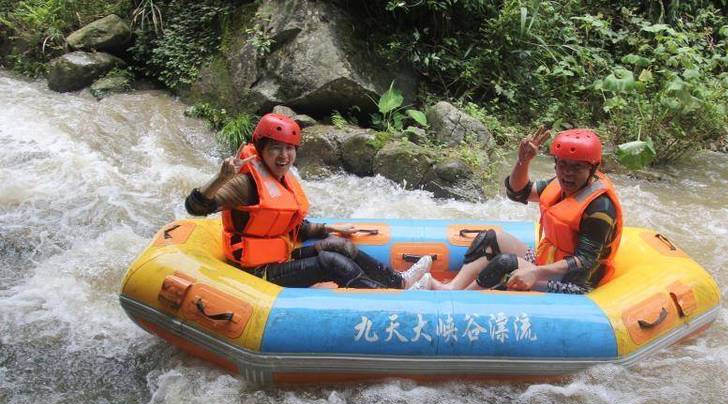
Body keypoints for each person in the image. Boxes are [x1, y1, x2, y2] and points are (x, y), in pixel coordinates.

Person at [185, 113, 431, 289]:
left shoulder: (281, 179)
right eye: (276, 148)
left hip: (281, 257)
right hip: (257, 272)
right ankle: (384, 297)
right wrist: (220, 178)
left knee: (339, 245)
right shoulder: (245, 183)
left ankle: (399, 281)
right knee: (330, 262)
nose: (284, 156)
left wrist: (328, 229)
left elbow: (289, 224)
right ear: (261, 150)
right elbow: (195, 207)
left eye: (290, 149)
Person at [419, 127, 622, 293]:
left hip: (575, 282)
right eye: (563, 165)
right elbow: (518, 193)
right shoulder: (560, 185)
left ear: (592, 169)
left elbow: (584, 261)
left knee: (505, 263)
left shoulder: (599, 208)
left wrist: (536, 273)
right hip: (547, 262)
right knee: (490, 237)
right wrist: (523, 161)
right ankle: (452, 289)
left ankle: (462, 301)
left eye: (577, 167)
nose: (567, 173)